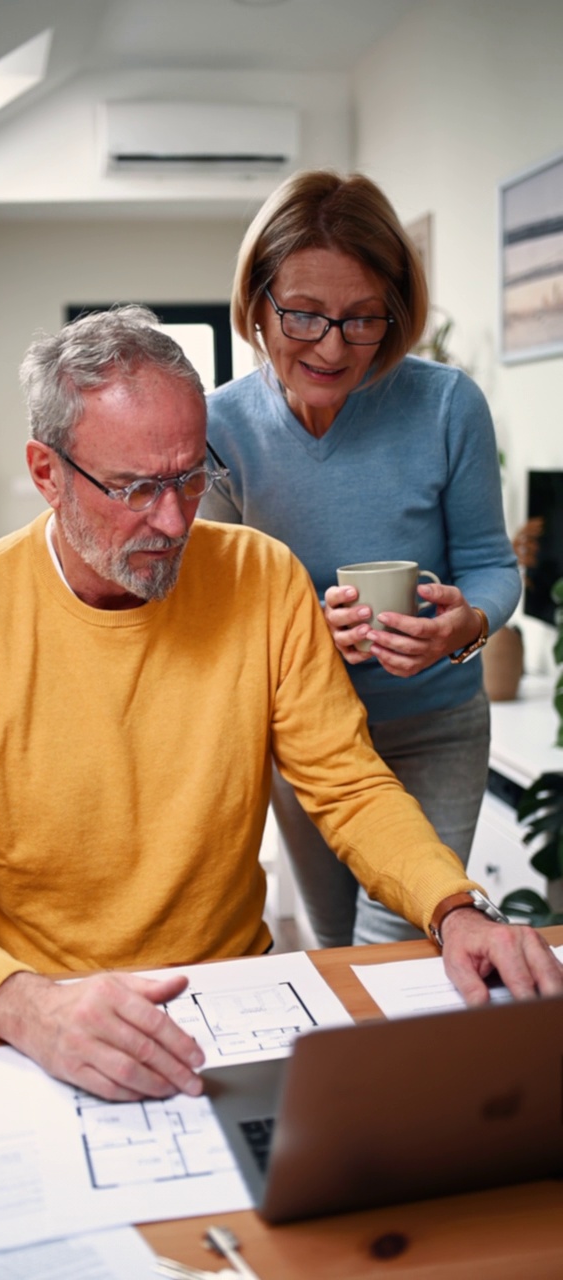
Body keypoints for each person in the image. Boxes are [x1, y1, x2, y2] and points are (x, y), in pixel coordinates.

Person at [0, 308, 559, 1105]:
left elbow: (349, 787)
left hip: (232, 1006)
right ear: (47, 473)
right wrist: (27, 1006)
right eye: (136, 488)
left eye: (190, 478)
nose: (175, 519)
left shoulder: (265, 578)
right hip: (32, 1020)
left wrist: (455, 910)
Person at [201, 169, 521, 948]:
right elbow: (209, 605)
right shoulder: (219, 427)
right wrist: (306, 631)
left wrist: (466, 625)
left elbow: (491, 563)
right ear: (257, 302)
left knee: (401, 939)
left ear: (396, 311)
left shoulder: (447, 405)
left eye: (363, 318)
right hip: (307, 740)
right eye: (304, 315)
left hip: (435, 726)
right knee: (339, 944)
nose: (333, 347)